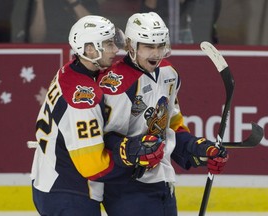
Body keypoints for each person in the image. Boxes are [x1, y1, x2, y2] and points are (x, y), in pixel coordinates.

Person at [30, 15, 165, 216]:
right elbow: (93, 166)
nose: (115, 49)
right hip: (69, 192)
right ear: (90, 49)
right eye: (108, 44)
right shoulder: (84, 97)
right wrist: (133, 162)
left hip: (50, 182)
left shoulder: (69, 71)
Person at [98, 12, 229, 216]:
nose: (157, 53)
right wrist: (132, 148)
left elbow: (170, 127)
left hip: (162, 180)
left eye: (160, 46)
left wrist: (197, 148)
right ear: (131, 46)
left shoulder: (169, 74)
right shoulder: (117, 83)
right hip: (126, 186)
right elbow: (104, 138)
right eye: (149, 46)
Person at [28, 0, 102, 42]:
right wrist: (39, 3)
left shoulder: (88, 2)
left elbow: (95, 31)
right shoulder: (46, 3)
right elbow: (36, 39)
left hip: (81, 52)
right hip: (52, 51)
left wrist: (73, 2)